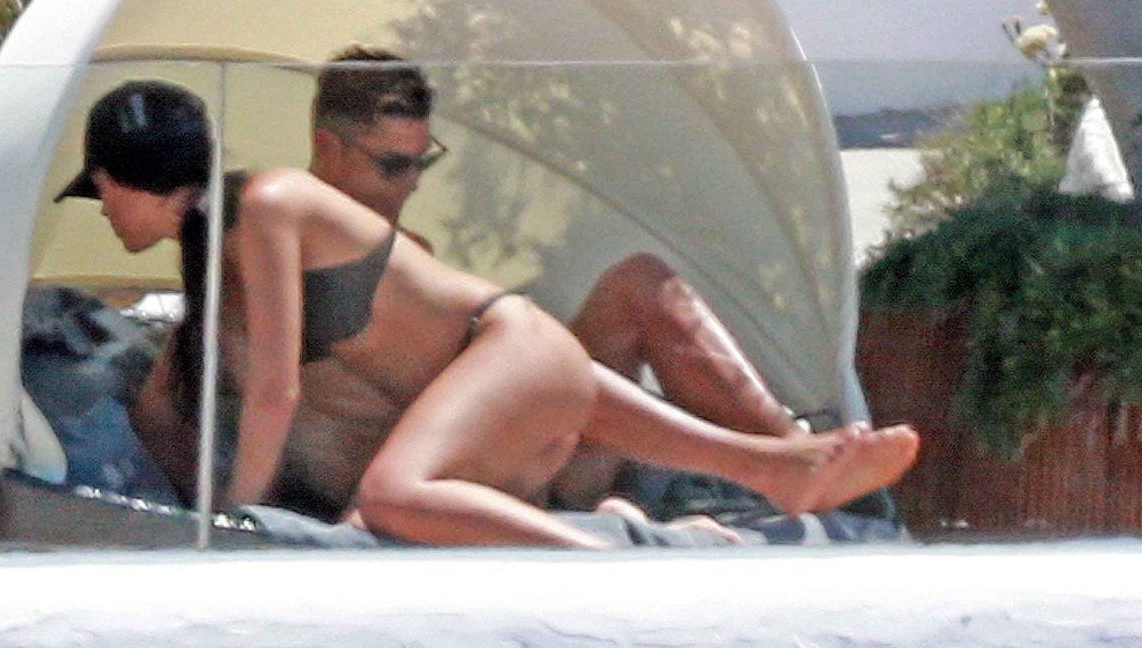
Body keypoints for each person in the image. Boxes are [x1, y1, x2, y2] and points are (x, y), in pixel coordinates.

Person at [67, 78, 918, 549]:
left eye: (100, 194)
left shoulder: (268, 204)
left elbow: (275, 392)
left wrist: (240, 529)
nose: (104, 214)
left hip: (513, 348)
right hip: (516, 376)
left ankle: (623, 565)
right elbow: (207, 397)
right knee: (394, 502)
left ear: (119, 180)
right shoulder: (221, 263)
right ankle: (773, 468)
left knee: (393, 497)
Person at [306, 48, 801, 510]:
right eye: (393, 166)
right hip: (462, 475)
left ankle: (799, 459)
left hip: (523, 444)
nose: (413, 183)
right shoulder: (286, 253)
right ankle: (781, 465)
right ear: (327, 147)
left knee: (640, 284)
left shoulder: (409, 253)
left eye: (423, 162)